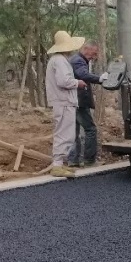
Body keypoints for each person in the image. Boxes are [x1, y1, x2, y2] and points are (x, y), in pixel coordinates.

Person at [45, 30, 87, 178]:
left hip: (63, 101)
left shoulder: (57, 60)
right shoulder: (60, 61)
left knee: (65, 133)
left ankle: (60, 163)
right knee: (64, 134)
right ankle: (57, 165)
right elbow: (64, 81)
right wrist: (78, 83)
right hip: (64, 101)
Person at [67, 39, 108, 168]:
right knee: (90, 130)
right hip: (79, 102)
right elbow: (83, 75)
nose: (94, 57)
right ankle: (89, 161)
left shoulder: (77, 59)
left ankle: (73, 161)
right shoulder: (78, 61)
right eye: (93, 53)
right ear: (86, 49)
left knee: (74, 131)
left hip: (74, 101)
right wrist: (100, 79)